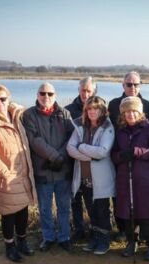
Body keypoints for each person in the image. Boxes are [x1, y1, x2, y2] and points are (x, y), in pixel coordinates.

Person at [0, 84, 36, 262]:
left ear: (9, 99)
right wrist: (5, 173)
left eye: (3, 99)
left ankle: (22, 241)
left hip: (22, 173)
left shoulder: (16, 116)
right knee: (8, 213)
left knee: (22, 210)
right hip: (4, 178)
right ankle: (10, 246)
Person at [22, 82, 74, 252]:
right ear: (37, 95)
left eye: (50, 94)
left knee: (64, 207)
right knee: (44, 208)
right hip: (43, 170)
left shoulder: (65, 114)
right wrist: (54, 157)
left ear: (55, 95)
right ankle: (48, 237)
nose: (46, 97)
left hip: (63, 170)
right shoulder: (29, 115)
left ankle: (64, 237)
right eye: (42, 93)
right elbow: (34, 139)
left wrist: (61, 158)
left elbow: (72, 139)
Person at [111, 96, 149, 261]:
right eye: (127, 112)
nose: (131, 114)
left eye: (134, 111)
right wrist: (123, 155)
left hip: (145, 180)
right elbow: (114, 156)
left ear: (140, 112)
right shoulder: (120, 131)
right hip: (125, 179)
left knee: (146, 215)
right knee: (127, 214)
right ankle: (131, 242)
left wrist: (139, 152)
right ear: (123, 114)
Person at [108, 71, 149, 241]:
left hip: (141, 159)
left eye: (136, 84)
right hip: (119, 154)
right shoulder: (113, 105)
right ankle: (123, 229)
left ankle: (142, 231)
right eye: (129, 84)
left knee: (141, 195)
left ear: (140, 85)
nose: (132, 87)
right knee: (120, 193)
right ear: (123, 85)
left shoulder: (148, 105)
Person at [67, 96, 115, 255]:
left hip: (101, 179)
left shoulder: (108, 127)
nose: (92, 111)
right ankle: (94, 238)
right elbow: (70, 148)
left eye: (96, 108)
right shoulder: (81, 126)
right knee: (92, 211)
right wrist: (89, 155)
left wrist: (82, 147)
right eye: (89, 109)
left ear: (102, 110)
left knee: (102, 211)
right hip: (85, 178)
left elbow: (102, 152)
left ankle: (104, 241)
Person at [65, 76, 97, 243]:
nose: (85, 93)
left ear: (94, 92)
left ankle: (95, 229)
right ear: (78, 90)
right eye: (83, 90)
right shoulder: (68, 111)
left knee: (93, 199)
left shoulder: (101, 108)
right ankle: (78, 229)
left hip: (93, 164)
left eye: (88, 90)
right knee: (75, 198)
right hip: (73, 162)